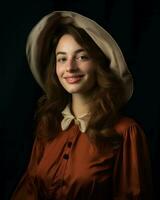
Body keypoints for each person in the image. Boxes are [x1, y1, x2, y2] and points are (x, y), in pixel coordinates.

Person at [11, 11, 152, 200]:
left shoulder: (126, 132)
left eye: (81, 57)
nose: (70, 67)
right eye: (62, 58)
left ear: (99, 64)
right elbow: (29, 190)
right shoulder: (48, 125)